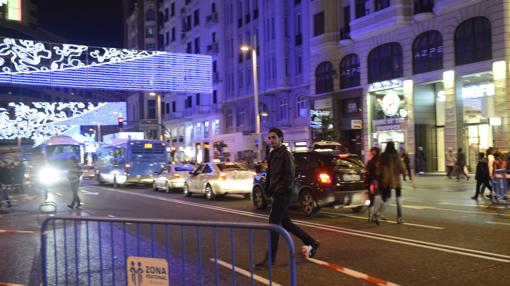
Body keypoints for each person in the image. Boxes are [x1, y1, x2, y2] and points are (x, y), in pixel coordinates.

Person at [255, 128, 319, 269]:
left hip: (283, 193)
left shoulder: (286, 155)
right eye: (270, 137)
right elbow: (270, 174)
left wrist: (278, 189)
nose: (271, 140)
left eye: (274, 137)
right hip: (276, 193)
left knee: (273, 224)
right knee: (286, 223)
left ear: (281, 138)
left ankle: (270, 259)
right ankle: (311, 242)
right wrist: (268, 190)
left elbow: (289, 176)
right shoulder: (272, 154)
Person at [376, 141, 406, 224]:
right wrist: (404, 172)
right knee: (398, 198)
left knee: (387, 198)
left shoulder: (382, 156)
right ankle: (399, 218)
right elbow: (402, 168)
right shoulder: (396, 156)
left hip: (386, 180)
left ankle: (378, 213)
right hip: (396, 180)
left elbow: (378, 170)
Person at [365, 147, 381, 224]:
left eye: (372, 151)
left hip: (373, 182)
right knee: (374, 199)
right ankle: (373, 215)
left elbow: (368, 172)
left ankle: (371, 216)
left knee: (372, 198)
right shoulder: (377, 161)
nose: (370, 152)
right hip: (375, 182)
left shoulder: (372, 161)